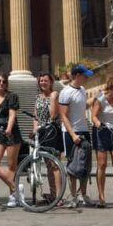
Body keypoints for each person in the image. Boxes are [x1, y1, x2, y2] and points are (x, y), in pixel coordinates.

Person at [58, 64, 94, 208]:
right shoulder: (65, 92)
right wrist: (73, 135)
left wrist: (95, 100)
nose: (86, 78)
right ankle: (73, 196)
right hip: (70, 132)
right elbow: (63, 116)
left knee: (85, 165)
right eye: (85, 75)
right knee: (73, 166)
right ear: (77, 75)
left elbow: (82, 106)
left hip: (84, 130)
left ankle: (83, 194)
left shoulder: (83, 90)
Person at [0, 72, 22, 207]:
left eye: (4, 82)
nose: (1, 84)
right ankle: (15, 187)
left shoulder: (12, 96)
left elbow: (12, 115)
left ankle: (13, 195)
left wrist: (8, 128)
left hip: (12, 132)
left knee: (11, 166)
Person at [91, 76, 113, 208]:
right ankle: (101, 196)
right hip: (102, 132)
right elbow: (93, 116)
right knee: (102, 164)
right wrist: (99, 123)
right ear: (110, 89)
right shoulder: (101, 99)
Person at [33, 71, 63, 205]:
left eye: (45, 80)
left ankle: (59, 196)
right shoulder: (38, 97)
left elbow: (53, 114)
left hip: (52, 132)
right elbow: (35, 115)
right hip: (42, 133)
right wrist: (35, 129)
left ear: (51, 82)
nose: (43, 83)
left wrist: (52, 98)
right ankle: (52, 194)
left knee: (55, 165)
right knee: (48, 165)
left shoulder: (54, 95)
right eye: (41, 81)